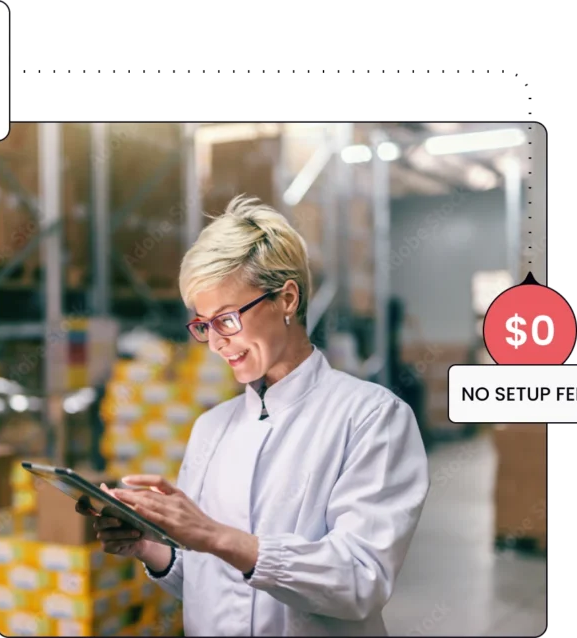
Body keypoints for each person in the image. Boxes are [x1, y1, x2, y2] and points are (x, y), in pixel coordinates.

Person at [77, 195, 430, 636]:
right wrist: (150, 547)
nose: (216, 343)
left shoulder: (371, 417)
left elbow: (361, 579)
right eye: (203, 325)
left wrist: (213, 535)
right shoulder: (211, 427)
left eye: (227, 319)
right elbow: (210, 581)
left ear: (286, 298)